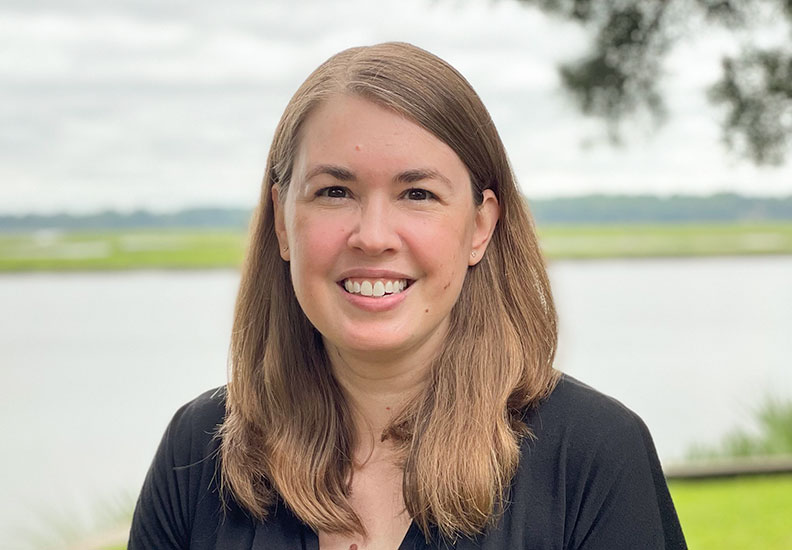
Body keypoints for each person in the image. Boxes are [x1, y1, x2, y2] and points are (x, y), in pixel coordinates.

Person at [128, 42, 686, 550]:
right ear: (281, 220)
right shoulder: (197, 453)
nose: (372, 235)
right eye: (334, 192)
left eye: (417, 193)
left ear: (480, 227)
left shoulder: (594, 456)